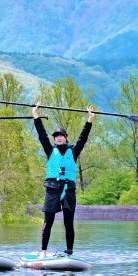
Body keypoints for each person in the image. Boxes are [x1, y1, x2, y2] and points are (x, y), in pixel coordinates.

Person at [31, 102, 95, 257]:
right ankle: (43, 252)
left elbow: (83, 138)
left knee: (68, 223)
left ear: (66, 138)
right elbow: (42, 135)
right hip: (52, 188)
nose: (58, 138)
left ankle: (69, 252)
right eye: (56, 136)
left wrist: (89, 120)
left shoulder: (73, 151)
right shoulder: (49, 150)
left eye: (61, 136)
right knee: (48, 222)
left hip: (68, 189)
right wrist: (35, 115)